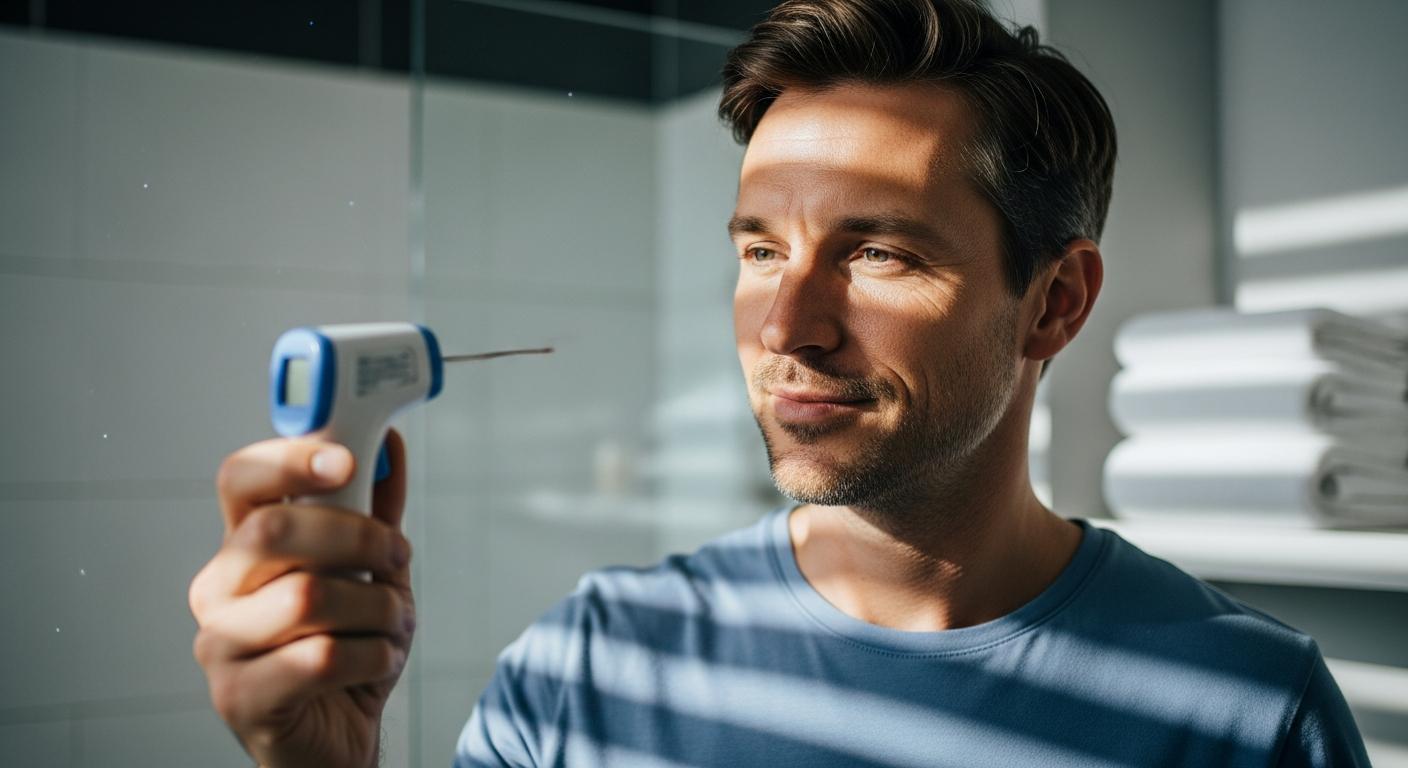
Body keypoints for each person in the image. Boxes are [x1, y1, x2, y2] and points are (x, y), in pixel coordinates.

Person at [189, 0, 1372, 766]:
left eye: (878, 252)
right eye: (759, 248)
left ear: (1054, 302)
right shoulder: (592, 662)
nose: (787, 326)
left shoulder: (1244, 710)